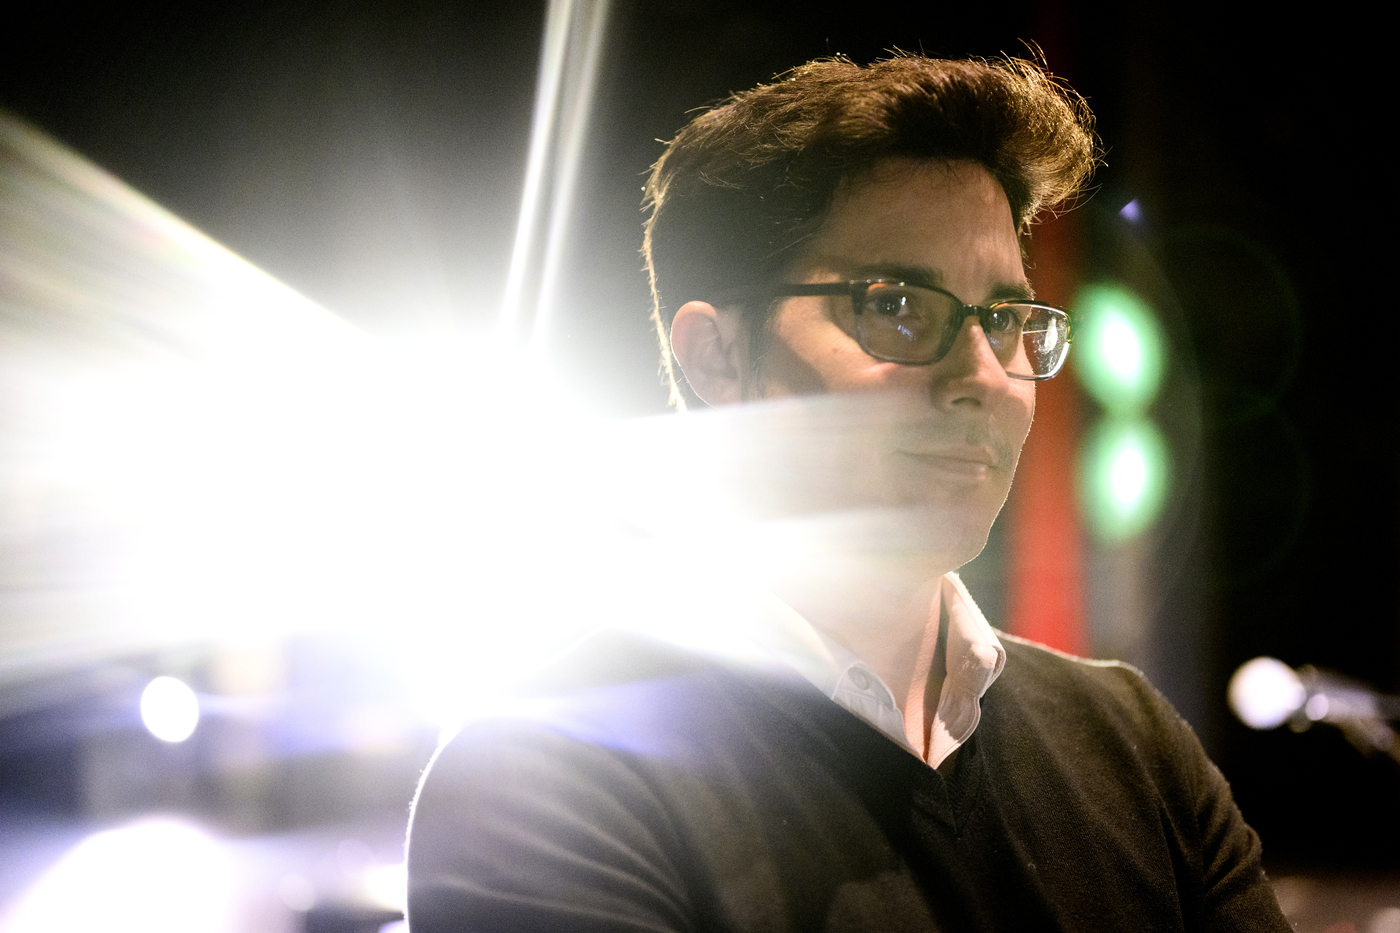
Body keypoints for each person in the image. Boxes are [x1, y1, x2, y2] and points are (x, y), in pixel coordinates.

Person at [406, 54, 1291, 930]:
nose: (983, 373)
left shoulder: (1130, 741)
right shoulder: (542, 774)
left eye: (1007, 319)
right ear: (716, 354)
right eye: (898, 305)